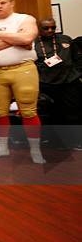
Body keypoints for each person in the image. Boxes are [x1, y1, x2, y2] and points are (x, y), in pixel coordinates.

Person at [0, 0, 44, 163]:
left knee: (28, 111)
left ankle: (35, 150)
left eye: (2, 3)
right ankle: (2, 148)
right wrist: (17, 39)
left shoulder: (25, 19)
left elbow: (28, 38)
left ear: (11, 3)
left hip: (23, 69)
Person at [34, 18, 82, 149]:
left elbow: (78, 58)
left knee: (73, 113)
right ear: (39, 29)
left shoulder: (65, 39)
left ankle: (76, 141)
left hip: (69, 82)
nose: (50, 30)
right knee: (53, 114)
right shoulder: (34, 43)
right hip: (47, 84)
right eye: (46, 28)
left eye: (53, 27)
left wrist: (77, 73)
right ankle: (56, 142)